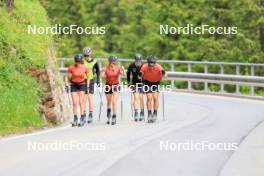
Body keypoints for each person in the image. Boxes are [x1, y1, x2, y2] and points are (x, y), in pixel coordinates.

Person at [64, 54, 90, 126]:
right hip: (73, 85)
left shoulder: (85, 67)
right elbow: (66, 76)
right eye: (76, 61)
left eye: (79, 61)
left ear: (81, 61)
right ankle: (75, 118)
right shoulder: (71, 67)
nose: (77, 63)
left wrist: (87, 86)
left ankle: (82, 118)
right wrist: (66, 83)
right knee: (75, 103)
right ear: (75, 61)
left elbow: (88, 77)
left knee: (81, 102)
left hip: (82, 85)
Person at [140, 55, 167, 123]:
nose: (151, 67)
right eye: (150, 65)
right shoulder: (144, 66)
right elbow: (140, 74)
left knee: (155, 98)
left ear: (155, 63)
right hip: (147, 82)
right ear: (148, 63)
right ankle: (149, 114)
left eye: (153, 65)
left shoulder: (158, 67)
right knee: (149, 98)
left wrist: (164, 75)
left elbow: (165, 74)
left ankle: (155, 113)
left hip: (156, 83)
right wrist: (140, 76)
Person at [101, 56, 125, 125]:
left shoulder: (118, 68)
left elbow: (124, 75)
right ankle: (109, 111)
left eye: (115, 62)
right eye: (112, 62)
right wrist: (102, 71)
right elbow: (101, 76)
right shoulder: (106, 68)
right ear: (109, 62)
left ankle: (114, 116)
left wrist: (123, 70)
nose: (113, 64)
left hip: (116, 85)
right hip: (108, 85)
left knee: (114, 101)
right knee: (109, 101)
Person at [83, 47, 100, 123]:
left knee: (90, 98)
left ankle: (90, 114)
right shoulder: (82, 61)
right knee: (83, 99)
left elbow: (98, 71)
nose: (87, 57)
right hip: (83, 80)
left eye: (88, 55)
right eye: (85, 55)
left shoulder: (95, 61)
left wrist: (98, 80)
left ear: (90, 54)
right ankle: (83, 114)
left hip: (92, 80)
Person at [127, 54, 145, 121]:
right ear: (135, 61)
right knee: (135, 97)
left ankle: (142, 112)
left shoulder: (144, 66)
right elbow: (128, 73)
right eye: (137, 61)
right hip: (134, 83)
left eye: (139, 61)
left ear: (141, 61)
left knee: (141, 98)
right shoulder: (131, 66)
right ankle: (136, 112)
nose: (138, 63)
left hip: (142, 83)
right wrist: (129, 82)